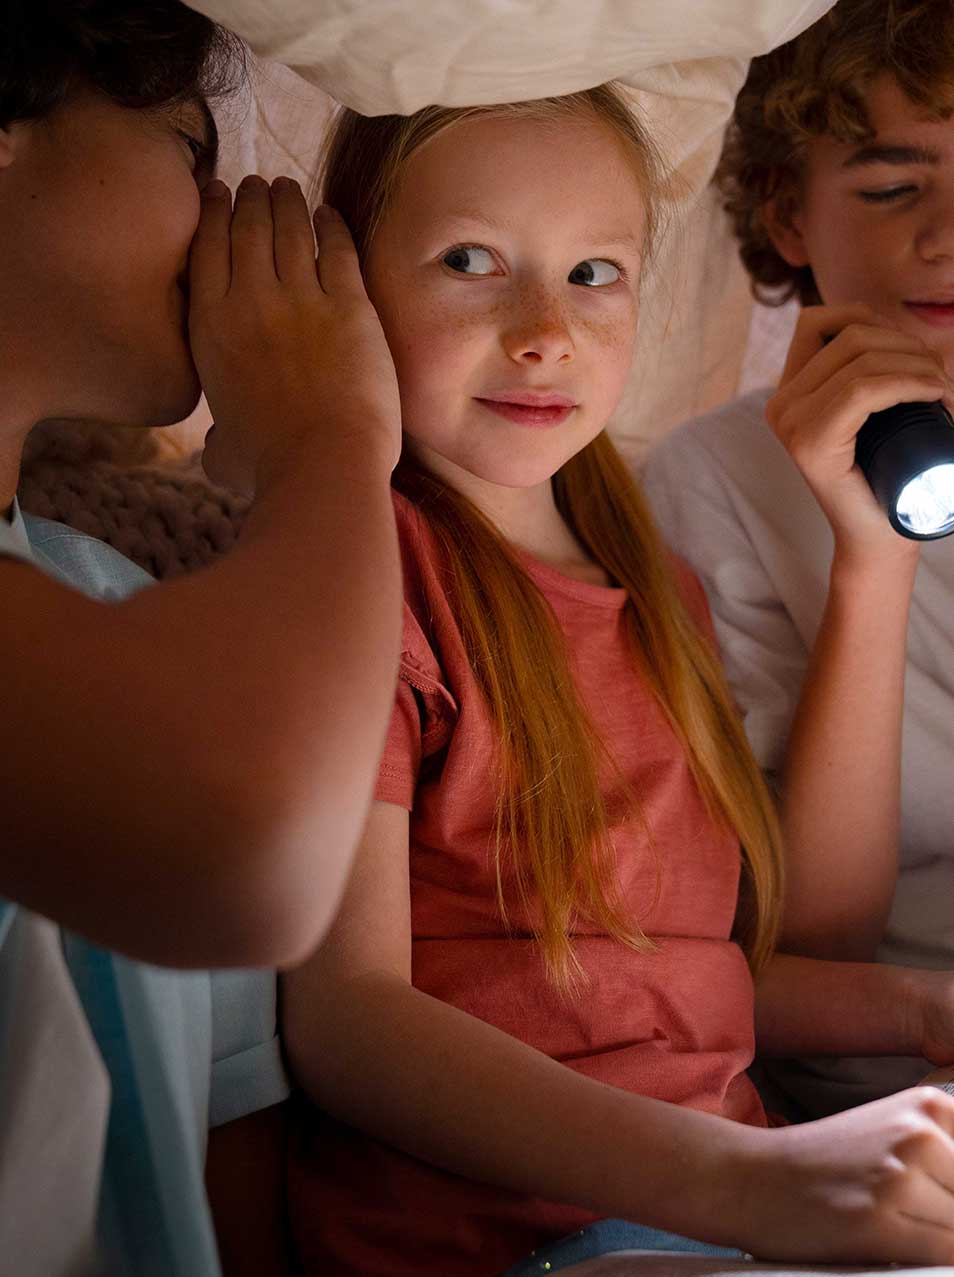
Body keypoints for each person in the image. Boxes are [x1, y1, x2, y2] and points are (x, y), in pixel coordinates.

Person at [272, 84, 954, 1277]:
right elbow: (348, 1021)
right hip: (528, 1231)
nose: (547, 330)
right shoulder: (361, 572)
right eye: (471, 260)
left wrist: (919, 1011)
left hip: (726, 1205)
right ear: (354, 281)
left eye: (595, 273)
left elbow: (686, 973)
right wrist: (761, 1180)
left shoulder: (660, 592)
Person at [0, 2, 402, 1273]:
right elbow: (254, 858)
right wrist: (329, 439)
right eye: (187, 146)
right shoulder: (178, 681)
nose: (227, 204)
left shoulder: (124, 604)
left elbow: (224, 1142)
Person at [643, 0, 954, 1119]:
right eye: (889, 186)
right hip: (886, 1097)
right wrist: (872, 563)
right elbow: (812, 941)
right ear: (788, 214)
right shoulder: (704, 489)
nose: (948, 233)